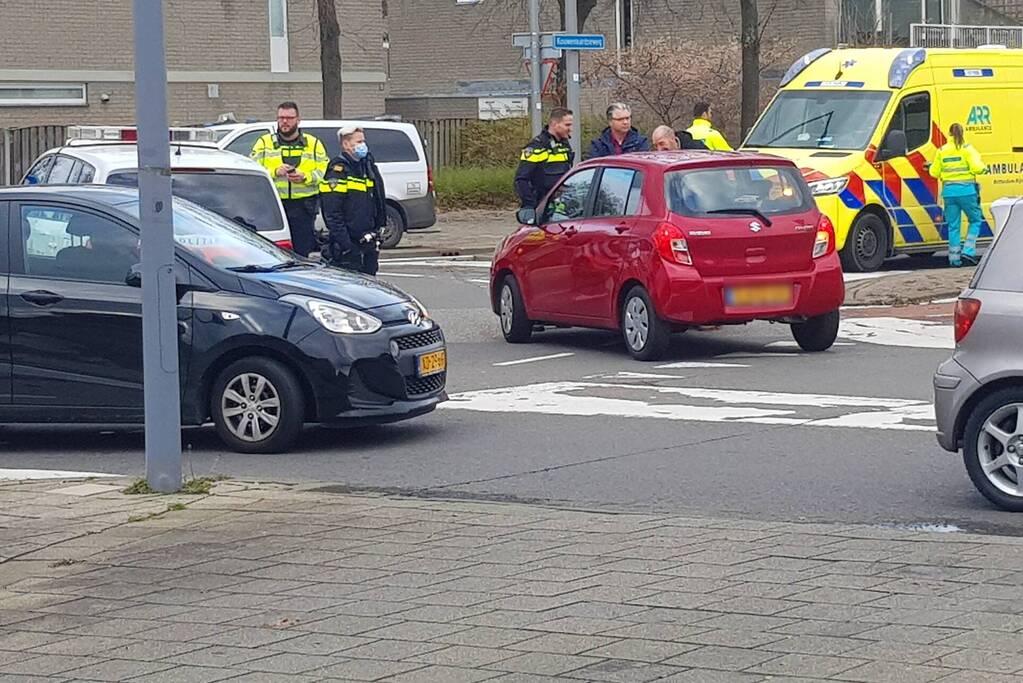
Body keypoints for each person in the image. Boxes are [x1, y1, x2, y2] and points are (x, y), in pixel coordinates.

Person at [251, 102, 328, 258]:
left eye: (289, 118)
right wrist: (275, 171)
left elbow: (324, 172)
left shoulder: (313, 144)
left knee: (301, 253)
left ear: (298, 120)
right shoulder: (264, 143)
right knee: (272, 253)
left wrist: (305, 177)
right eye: (281, 118)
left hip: (304, 207)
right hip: (273, 206)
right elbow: (252, 169)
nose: (284, 122)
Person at [320, 125, 387, 276]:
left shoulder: (366, 167)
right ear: (346, 144)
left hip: (368, 243)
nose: (363, 145)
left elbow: (376, 200)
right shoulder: (338, 171)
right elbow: (332, 213)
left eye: (363, 141)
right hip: (348, 247)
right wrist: (347, 245)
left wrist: (378, 228)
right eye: (358, 142)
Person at [929, 122, 987, 267]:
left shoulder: (941, 151)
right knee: (975, 220)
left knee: (953, 226)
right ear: (962, 133)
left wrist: (931, 166)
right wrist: (984, 169)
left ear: (949, 134)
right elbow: (976, 167)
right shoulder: (968, 149)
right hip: (967, 192)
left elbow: (934, 172)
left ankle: (954, 259)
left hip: (949, 193)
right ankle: (968, 251)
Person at [514, 108, 575, 208]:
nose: (571, 129)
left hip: (561, 205)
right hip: (543, 207)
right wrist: (531, 206)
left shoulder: (564, 145)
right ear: (555, 124)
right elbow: (521, 181)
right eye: (567, 125)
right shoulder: (536, 147)